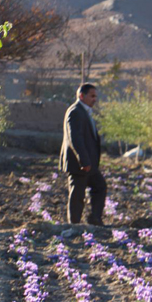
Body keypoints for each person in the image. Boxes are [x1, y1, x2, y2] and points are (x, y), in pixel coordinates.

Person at [59, 83, 107, 225]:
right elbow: (75, 138)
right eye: (92, 96)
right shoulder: (75, 112)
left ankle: (94, 219)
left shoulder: (85, 112)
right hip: (79, 164)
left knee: (100, 186)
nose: (95, 99)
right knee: (77, 196)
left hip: (89, 164)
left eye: (96, 96)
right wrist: (84, 161)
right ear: (82, 96)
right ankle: (74, 225)